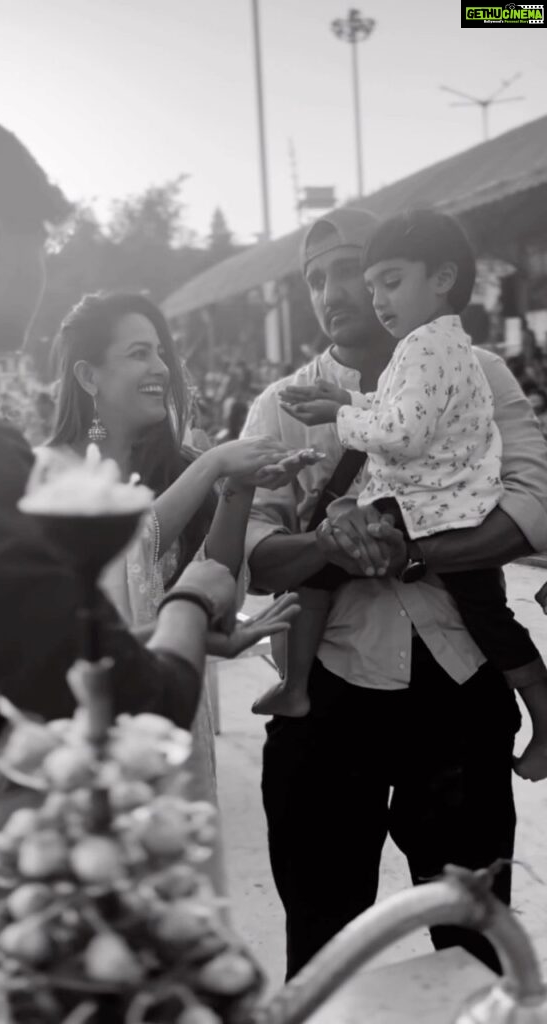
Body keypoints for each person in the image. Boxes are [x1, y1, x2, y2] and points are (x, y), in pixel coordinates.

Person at [0, 107, 298, 955]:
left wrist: (225, 499)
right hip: (34, 828)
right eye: (40, 243)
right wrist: (193, 602)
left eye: (163, 352)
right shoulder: (10, 464)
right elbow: (120, 691)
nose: (157, 368)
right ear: (0, 242)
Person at [241, 207, 547, 979]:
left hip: (459, 689)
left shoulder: (478, 370)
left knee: (476, 944)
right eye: (317, 280)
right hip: (328, 704)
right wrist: (328, 544)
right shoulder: (284, 403)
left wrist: (409, 548)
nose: (337, 292)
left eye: (357, 270)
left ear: (416, 274)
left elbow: (535, 498)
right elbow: (250, 554)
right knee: (321, 946)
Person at [44, 291, 307, 809]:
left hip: (173, 718)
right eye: (138, 353)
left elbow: (215, 583)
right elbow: (120, 557)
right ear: (89, 377)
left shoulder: (178, 463)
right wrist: (211, 468)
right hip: (91, 738)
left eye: (161, 352)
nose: (159, 367)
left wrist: (238, 487)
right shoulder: (51, 474)